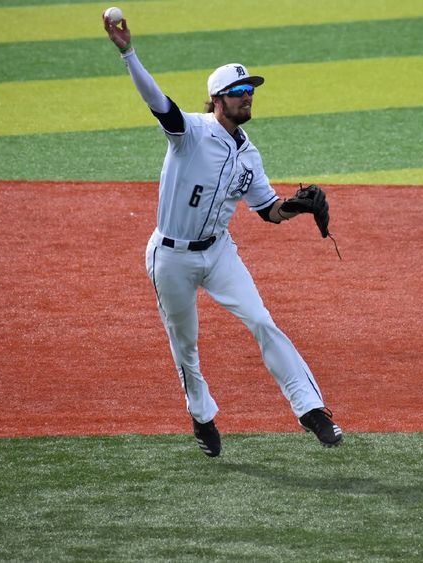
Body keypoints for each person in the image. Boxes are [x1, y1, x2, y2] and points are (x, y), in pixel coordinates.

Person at [104, 13, 343, 456]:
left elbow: (268, 212)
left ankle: (311, 410)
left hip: (219, 254)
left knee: (262, 321)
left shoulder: (249, 154)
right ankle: (202, 416)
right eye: (238, 92)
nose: (247, 96)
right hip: (170, 258)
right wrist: (127, 52)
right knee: (186, 346)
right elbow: (156, 100)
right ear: (217, 99)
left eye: (250, 90)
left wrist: (299, 205)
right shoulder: (189, 133)